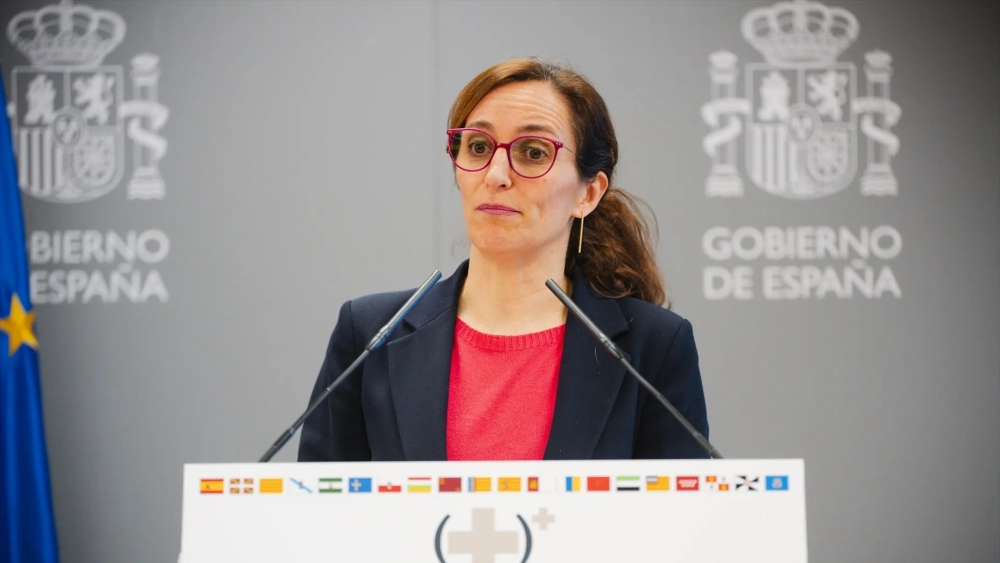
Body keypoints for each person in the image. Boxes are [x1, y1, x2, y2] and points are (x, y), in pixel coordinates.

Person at [297, 58, 709, 462]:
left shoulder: (653, 347)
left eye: (533, 152)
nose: (495, 175)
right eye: (478, 147)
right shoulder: (370, 334)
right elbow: (316, 503)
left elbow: (682, 507)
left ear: (588, 194)